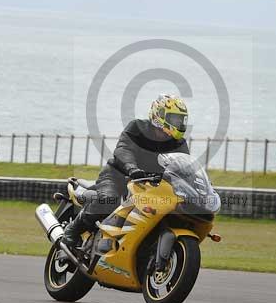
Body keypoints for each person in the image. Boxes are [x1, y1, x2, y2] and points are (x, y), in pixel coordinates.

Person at [61, 94, 190, 248]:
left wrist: (195, 180)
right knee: (109, 200)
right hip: (118, 176)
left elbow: (185, 166)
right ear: (159, 114)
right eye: (175, 119)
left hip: (151, 186)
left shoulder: (178, 143)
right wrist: (132, 168)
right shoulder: (137, 128)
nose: (179, 123)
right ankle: (72, 231)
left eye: (181, 120)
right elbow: (123, 149)